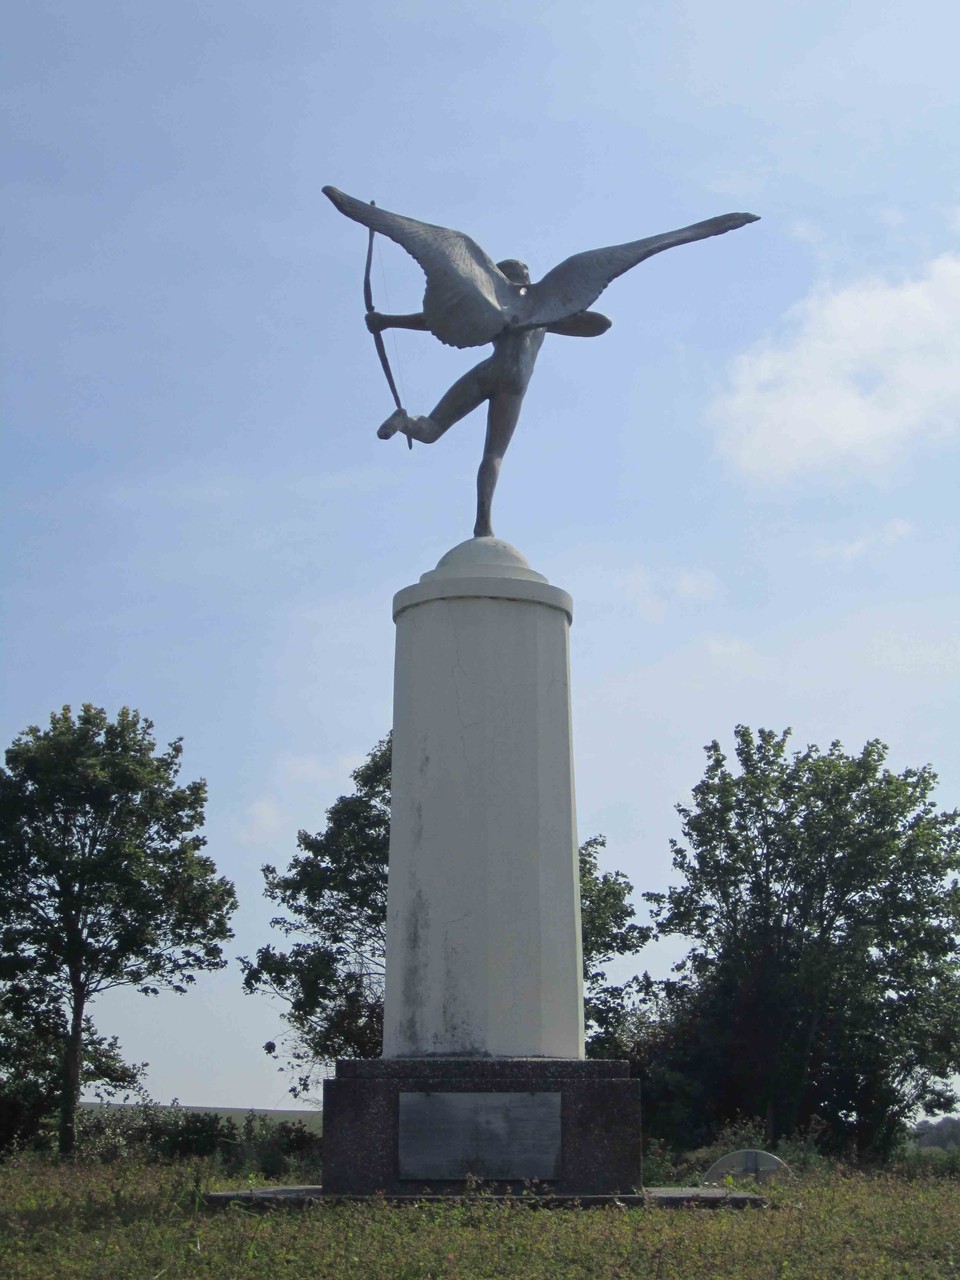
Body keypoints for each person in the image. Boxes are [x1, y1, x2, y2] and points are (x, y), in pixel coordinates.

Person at [367, 259, 611, 539]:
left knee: (431, 430)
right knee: (493, 455)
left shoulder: (501, 311)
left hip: (490, 371)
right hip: (513, 384)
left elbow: (436, 321)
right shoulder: (541, 313)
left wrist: (387, 321)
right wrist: (561, 311)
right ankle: (483, 525)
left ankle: (405, 421)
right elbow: (600, 325)